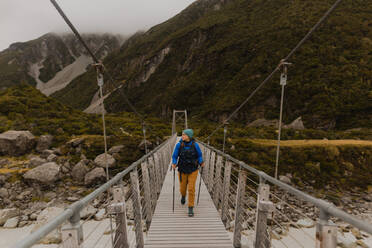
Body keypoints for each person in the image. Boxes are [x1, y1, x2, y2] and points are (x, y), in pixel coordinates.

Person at [172, 129, 204, 217]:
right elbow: (174, 156)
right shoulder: (179, 145)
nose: (182, 136)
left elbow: (199, 155)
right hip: (182, 169)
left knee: (191, 188)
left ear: (189, 136)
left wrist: (201, 162)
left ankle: (190, 207)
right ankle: (183, 195)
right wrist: (174, 162)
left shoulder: (195, 145)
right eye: (182, 134)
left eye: (184, 134)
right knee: (183, 188)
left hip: (193, 169)